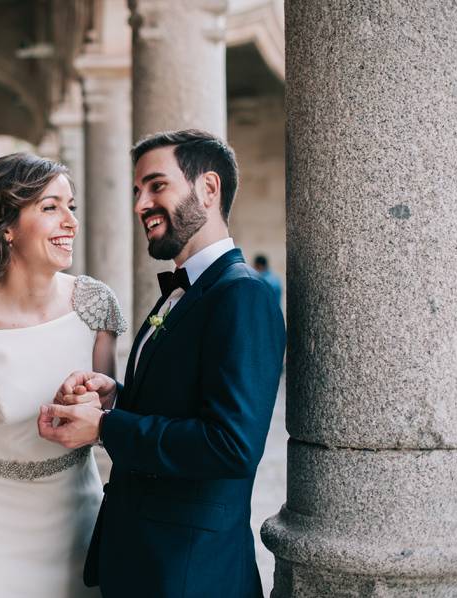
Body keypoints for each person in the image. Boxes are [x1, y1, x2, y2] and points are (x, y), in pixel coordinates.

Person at [38, 130, 286, 597]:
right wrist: (117, 398)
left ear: (208, 189)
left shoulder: (242, 296)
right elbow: (185, 406)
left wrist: (106, 428)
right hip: (142, 560)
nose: (140, 204)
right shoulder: (182, 292)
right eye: (137, 191)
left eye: (156, 186)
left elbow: (230, 446)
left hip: (191, 573)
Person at [0, 153, 126, 598]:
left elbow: (111, 417)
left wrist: (94, 405)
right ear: (7, 227)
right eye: (51, 207)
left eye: (71, 206)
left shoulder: (95, 305)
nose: (70, 220)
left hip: (80, 518)